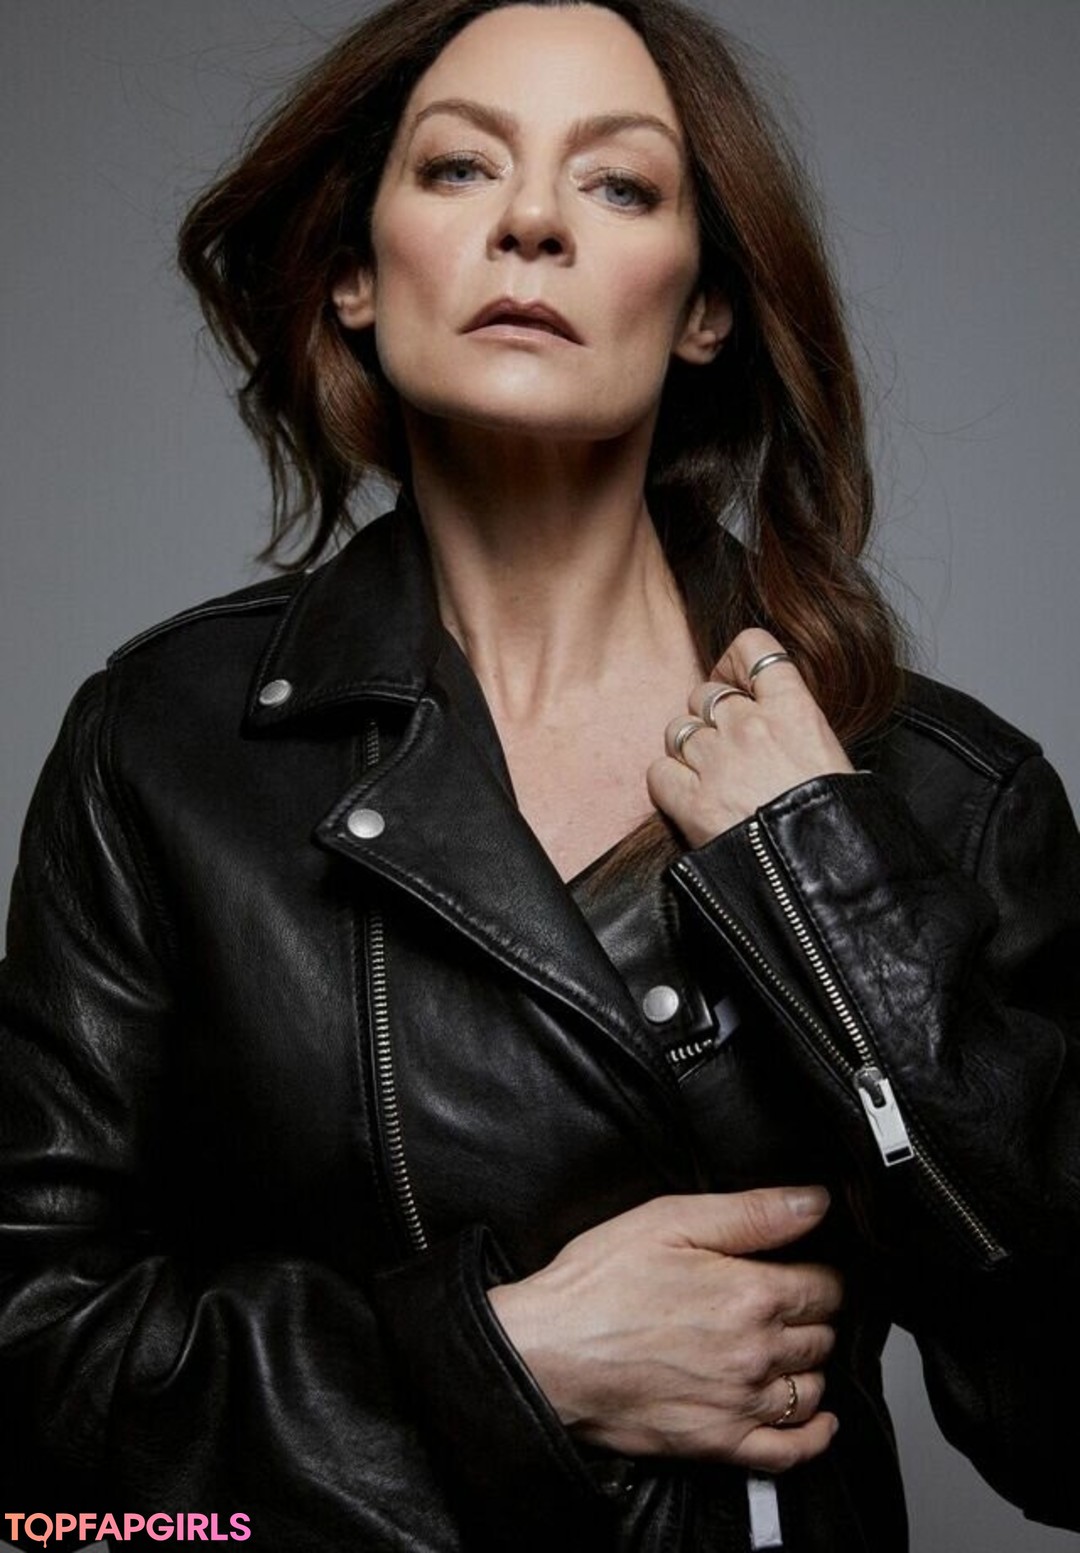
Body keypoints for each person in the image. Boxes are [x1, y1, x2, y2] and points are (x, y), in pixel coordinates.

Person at [1, 0, 1078, 1549]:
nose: (531, 223)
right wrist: (503, 1361)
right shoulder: (163, 747)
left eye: (618, 184)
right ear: (358, 275)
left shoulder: (928, 789)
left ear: (704, 304)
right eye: (459, 167)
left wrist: (827, 876)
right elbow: (35, 1411)